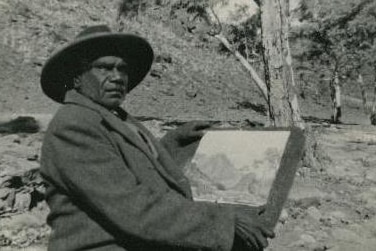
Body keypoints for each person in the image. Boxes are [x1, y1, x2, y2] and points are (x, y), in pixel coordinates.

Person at [40, 25, 274, 251]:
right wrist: (224, 222)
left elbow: (126, 166)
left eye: (122, 69)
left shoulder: (114, 117)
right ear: (77, 78)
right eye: (104, 68)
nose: (117, 77)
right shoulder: (74, 125)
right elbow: (131, 208)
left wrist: (173, 144)